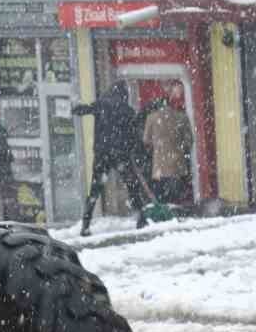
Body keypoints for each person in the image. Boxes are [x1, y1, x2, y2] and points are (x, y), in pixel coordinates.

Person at [74, 81, 152, 236]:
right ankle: (141, 218)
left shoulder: (101, 105)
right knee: (132, 185)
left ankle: (86, 224)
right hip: (120, 154)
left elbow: (85, 110)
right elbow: (133, 135)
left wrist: (76, 108)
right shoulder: (127, 110)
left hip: (101, 154)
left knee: (95, 189)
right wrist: (132, 152)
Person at [142, 90, 194, 205]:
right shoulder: (182, 117)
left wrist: (157, 145)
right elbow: (189, 141)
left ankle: (165, 212)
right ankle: (177, 209)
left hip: (159, 164)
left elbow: (146, 140)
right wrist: (179, 148)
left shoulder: (151, 118)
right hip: (178, 162)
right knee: (177, 193)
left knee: (161, 193)